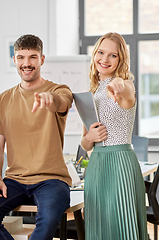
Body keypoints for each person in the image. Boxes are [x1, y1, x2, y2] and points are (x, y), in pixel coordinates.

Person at [0, 34, 73, 240]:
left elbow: (62, 103)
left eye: (32, 57)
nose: (26, 63)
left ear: (42, 59)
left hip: (52, 180)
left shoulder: (58, 90)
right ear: (14, 60)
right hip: (15, 180)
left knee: (46, 223)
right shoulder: (3, 99)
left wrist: (50, 99)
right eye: (21, 57)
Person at [80, 32, 148, 240]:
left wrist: (118, 85)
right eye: (101, 53)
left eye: (113, 55)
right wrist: (90, 137)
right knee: (99, 227)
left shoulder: (125, 86)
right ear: (94, 54)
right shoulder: (90, 93)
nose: (105, 59)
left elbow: (125, 90)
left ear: (121, 60)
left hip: (121, 164)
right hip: (96, 166)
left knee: (123, 226)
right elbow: (85, 144)